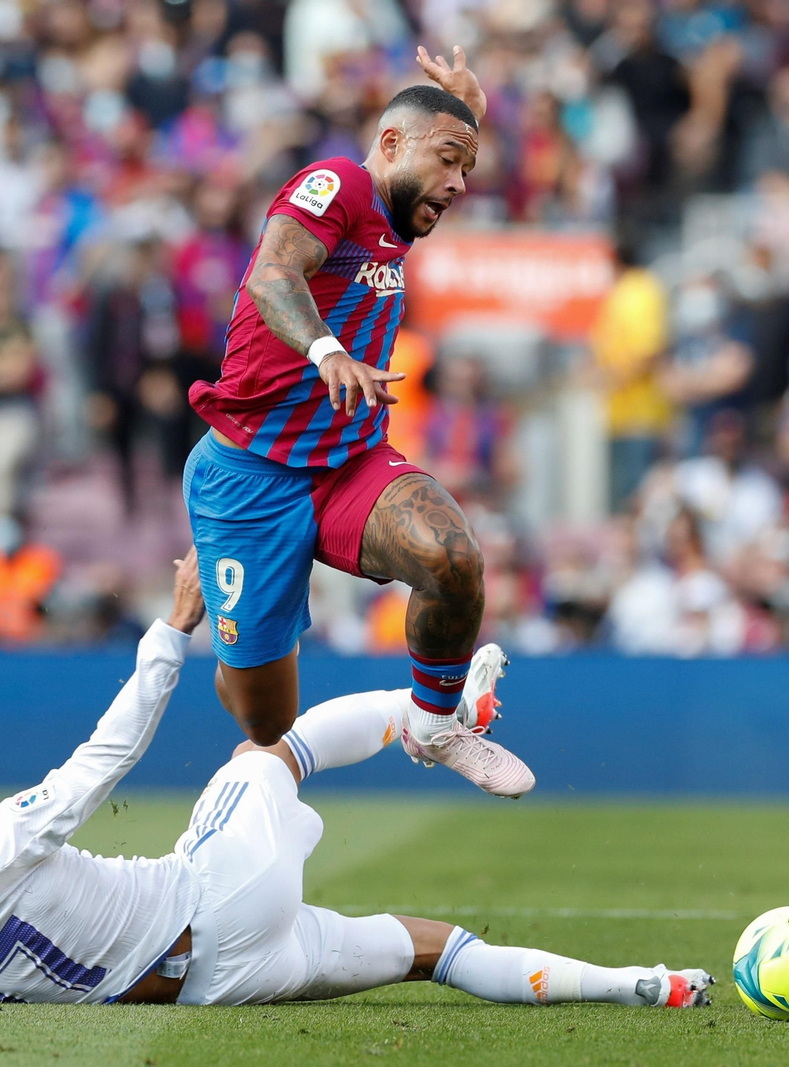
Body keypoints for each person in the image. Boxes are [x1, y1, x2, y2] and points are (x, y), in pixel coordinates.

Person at [0, 551, 713, 1010]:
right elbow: (105, 757)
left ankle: (642, 983)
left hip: (220, 983)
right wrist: (171, 630)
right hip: (210, 899)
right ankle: (432, 718)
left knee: (435, 949)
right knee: (266, 749)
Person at [184, 46, 533, 797]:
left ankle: (436, 721)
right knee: (265, 722)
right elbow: (273, 272)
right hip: (249, 478)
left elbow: (435, 169)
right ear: (390, 144)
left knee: (454, 558)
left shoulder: (402, 214)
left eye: (465, 169)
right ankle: (227, 616)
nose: (459, 184)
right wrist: (326, 349)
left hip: (346, 464)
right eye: (448, 160)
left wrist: (472, 111)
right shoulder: (337, 182)